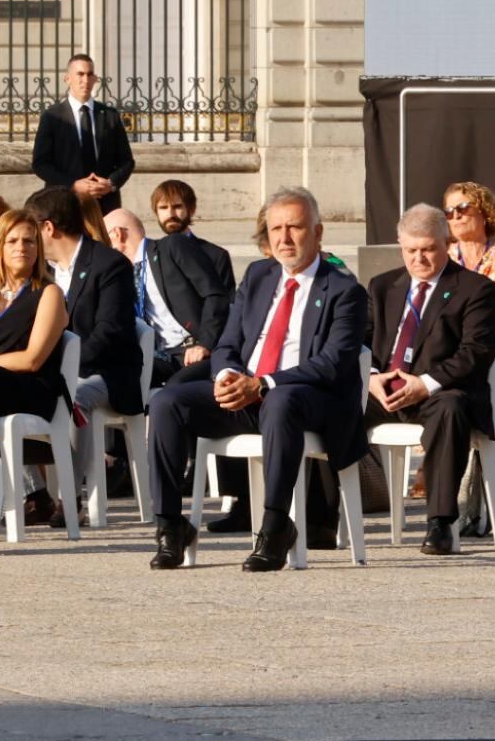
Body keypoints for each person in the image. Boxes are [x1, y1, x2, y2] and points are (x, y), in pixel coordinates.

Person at [146, 186, 368, 571]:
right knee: (168, 401)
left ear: (317, 233)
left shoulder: (345, 289)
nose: (283, 238)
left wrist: (265, 384)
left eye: (294, 228)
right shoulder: (258, 275)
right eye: (275, 228)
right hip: (250, 395)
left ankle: (276, 525)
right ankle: (171, 526)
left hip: (313, 401)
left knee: (281, 401)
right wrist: (228, 375)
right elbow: (229, 341)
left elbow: (334, 363)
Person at [362, 203, 495, 556]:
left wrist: (425, 383)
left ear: (447, 243)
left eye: (428, 249)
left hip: (440, 392)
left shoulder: (476, 289)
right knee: (328, 404)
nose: (419, 259)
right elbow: (359, 343)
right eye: (411, 250)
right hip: (385, 391)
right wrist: (372, 378)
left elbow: (475, 352)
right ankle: (322, 514)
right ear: (400, 246)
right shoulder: (382, 287)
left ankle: (440, 522)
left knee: (450, 408)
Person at [25, 185, 141, 525]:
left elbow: (111, 332)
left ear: (48, 228)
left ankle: (69, 498)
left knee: (71, 393)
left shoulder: (109, 264)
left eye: (31, 231)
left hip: (107, 373)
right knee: (5, 392)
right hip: (54, 370)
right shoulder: (40, 271)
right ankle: (36, 493)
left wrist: (62, 367)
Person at [0, 210, 72, 538]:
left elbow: (34, 359)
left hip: (32, 390)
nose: (21, 247)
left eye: (29, 240)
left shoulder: (48, 292)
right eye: (12, 240)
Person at [441, 181, 495, 536]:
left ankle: (478, 504)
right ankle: (460, 503)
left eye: (462, 208)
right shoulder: (438, 258)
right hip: (447, 360)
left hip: (494, 356)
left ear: (484, 211)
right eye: (449, 211)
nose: (454, 216)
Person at [103, 206, 230, 386]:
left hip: (196, 349)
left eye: (103, 239)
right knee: (115, 378)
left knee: (172, 391)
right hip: (160, 355)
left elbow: (215, 294)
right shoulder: (122, 276)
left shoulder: (171, 247)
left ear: (117, 234)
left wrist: (205, 344)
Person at [31, 53, 136, 213]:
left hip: (105, 203)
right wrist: (73, 184)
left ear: (95, 79)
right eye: (80, 74)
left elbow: (126, 161)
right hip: (66, 202)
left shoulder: (110, 115)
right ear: (67, 78)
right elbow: (41, 163)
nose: (85, 80)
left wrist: (110, 183)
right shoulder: (52, 116)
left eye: (90, 74)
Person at [152, 178, 236, 292]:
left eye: (177, 206)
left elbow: (226, 303)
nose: (170, 214)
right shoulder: (149, 254)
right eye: (163, 207)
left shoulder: (216, 256)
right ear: (156, 213)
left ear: (191, 209)